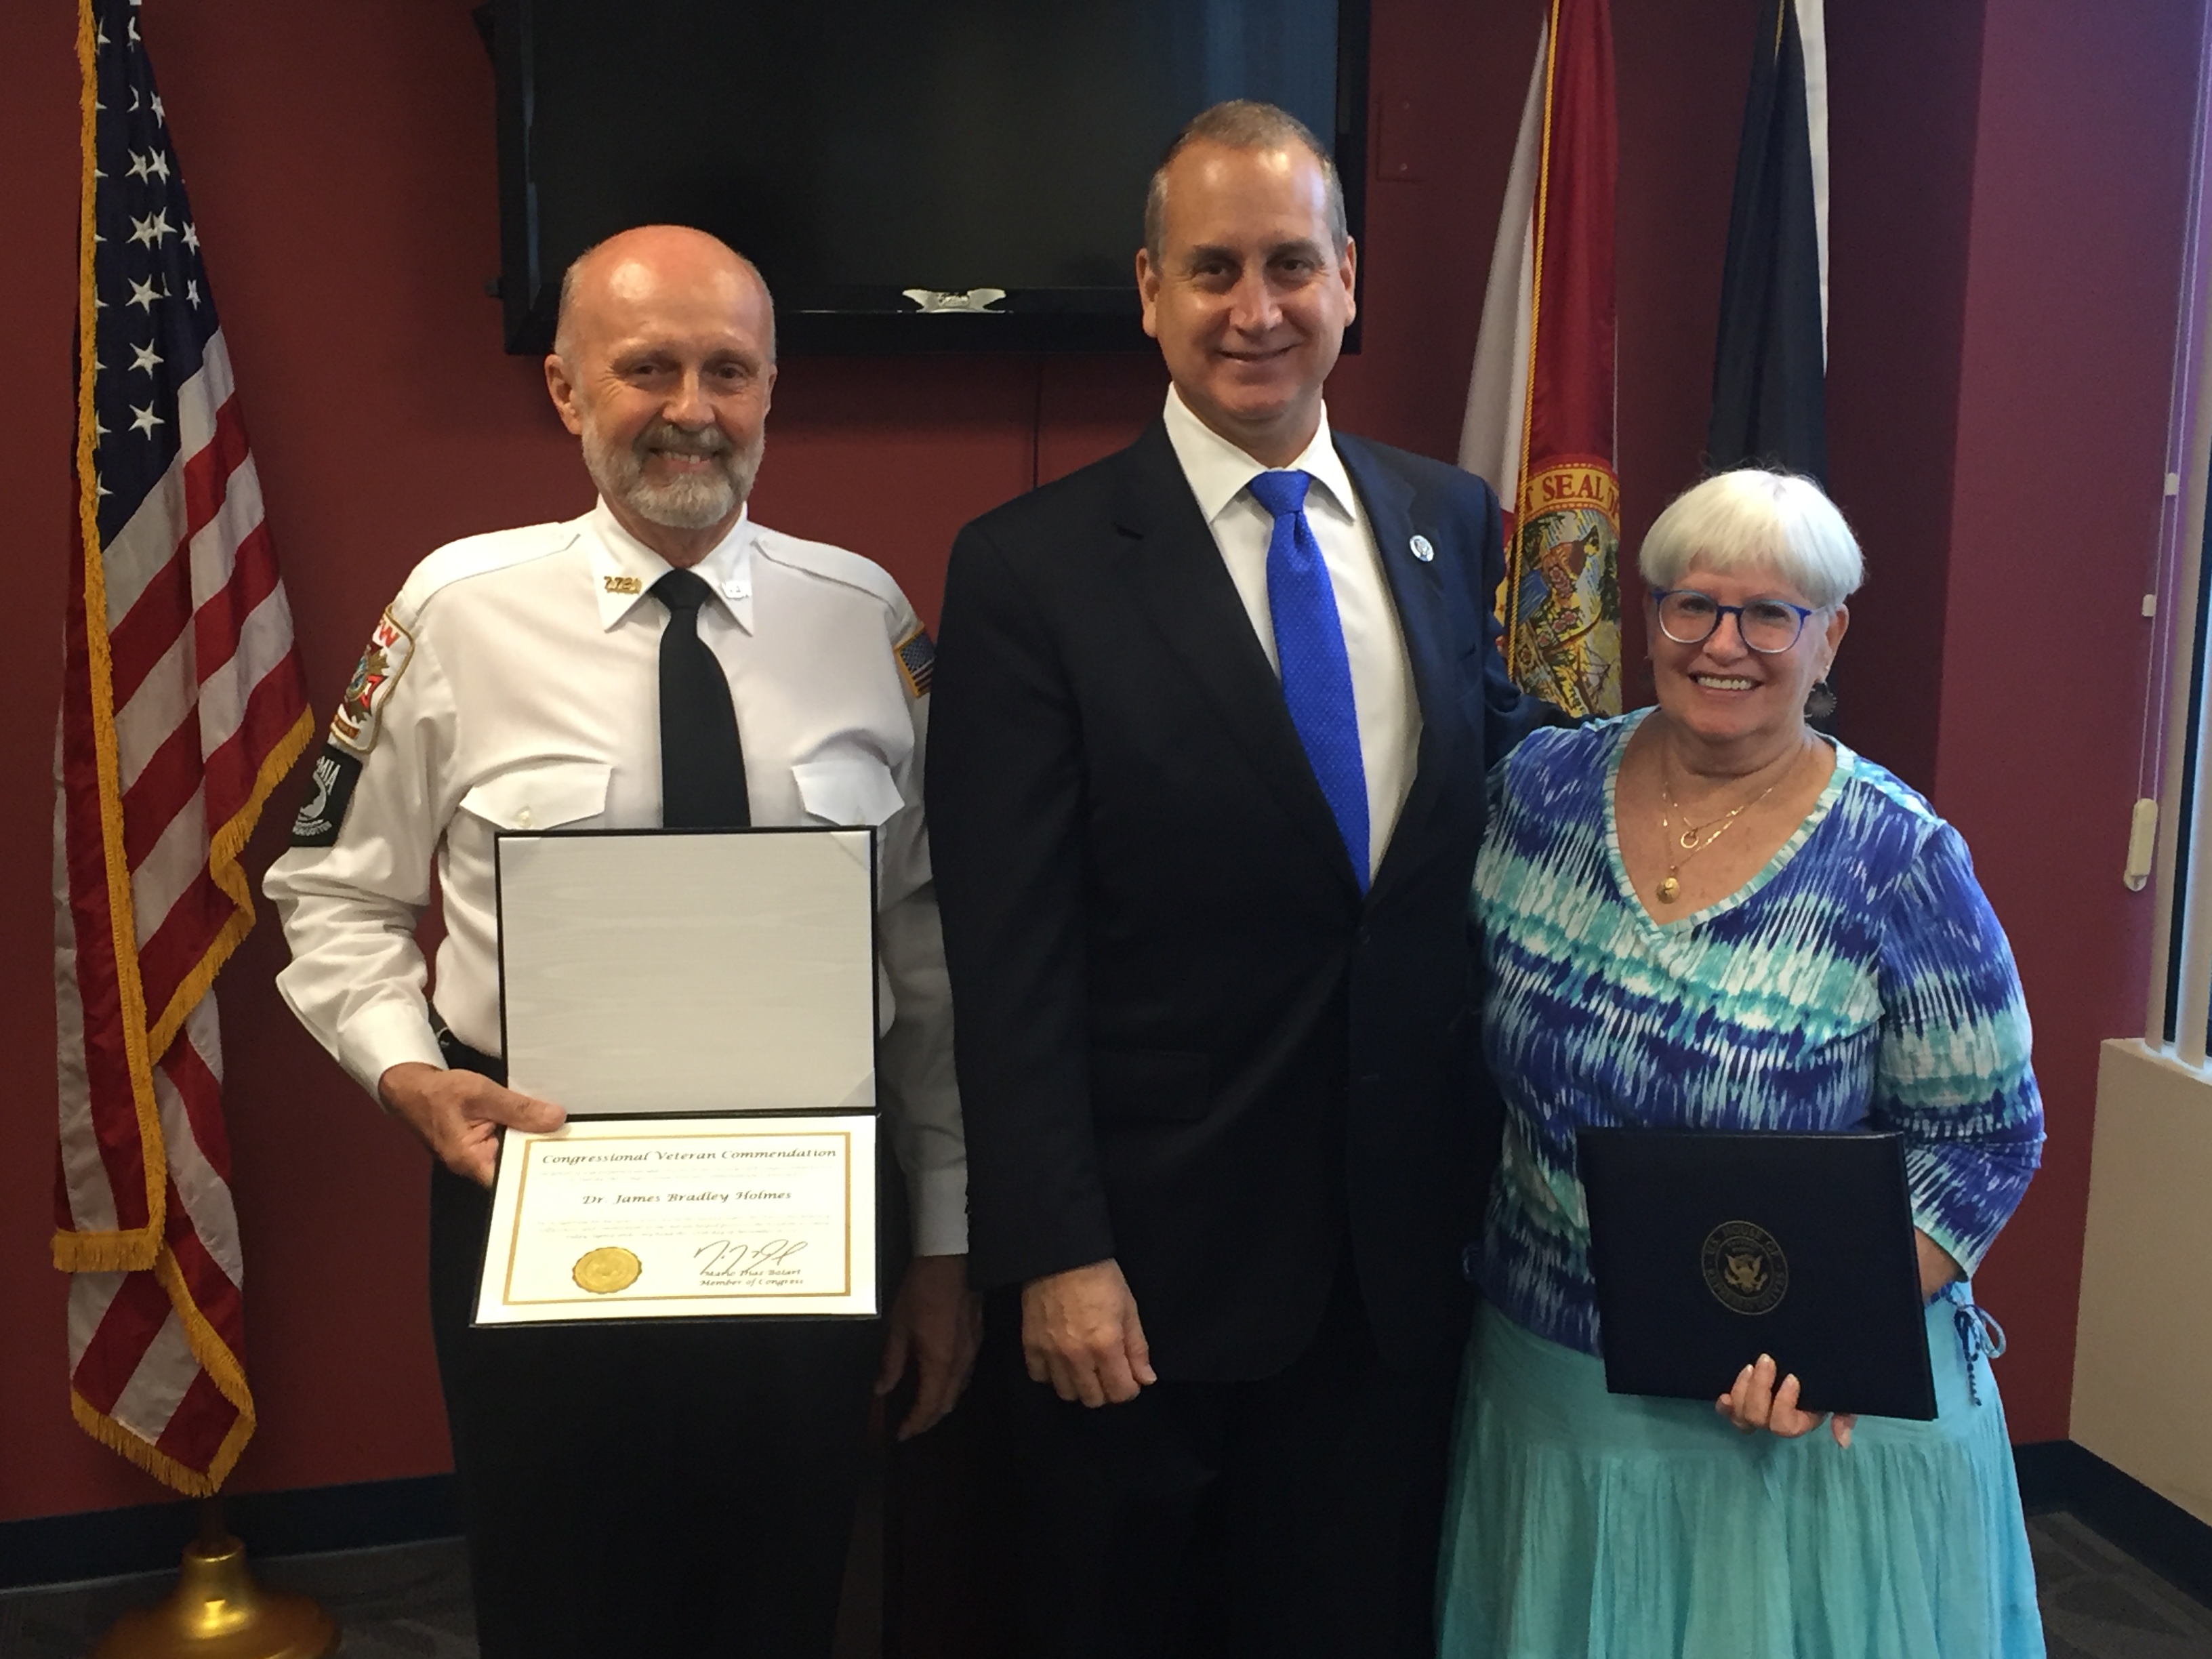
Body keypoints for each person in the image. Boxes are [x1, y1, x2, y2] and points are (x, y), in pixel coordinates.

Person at [264, 224, 979, 1659]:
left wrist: (948, 1242)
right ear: (565, 390)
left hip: (804, 1206)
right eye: (646, 367)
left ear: (774, 389)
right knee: (559, 1599)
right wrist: (411, 1078)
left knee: (782, 1593)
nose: (691, 407)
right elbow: (328, 894)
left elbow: (928, 959)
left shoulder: (869, 624)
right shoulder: (458, 613)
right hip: (532, 1183)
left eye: (728, 369)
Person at [924, 101, 1560, 1657]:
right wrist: (1055, 1250)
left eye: (1291, 263)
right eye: (1212, 268)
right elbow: (1007, 954)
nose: (1254, 308)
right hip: (1148, 1273)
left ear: (1350, 278)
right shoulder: (1029, 571)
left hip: (1399, 1262)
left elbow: (1475, 830)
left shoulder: (1446, 521)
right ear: (1148, 291)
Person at [1438, 468, 2047, 1658]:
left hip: (1795, 1414)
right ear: (1648, 614)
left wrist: (1827, 1329)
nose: (1728, 644)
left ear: (1830, 639)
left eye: (1774, 614)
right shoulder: (1538, 795)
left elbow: (1988, 1138)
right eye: (1693, 606)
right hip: (1551, 1384)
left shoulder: (1901, 858)